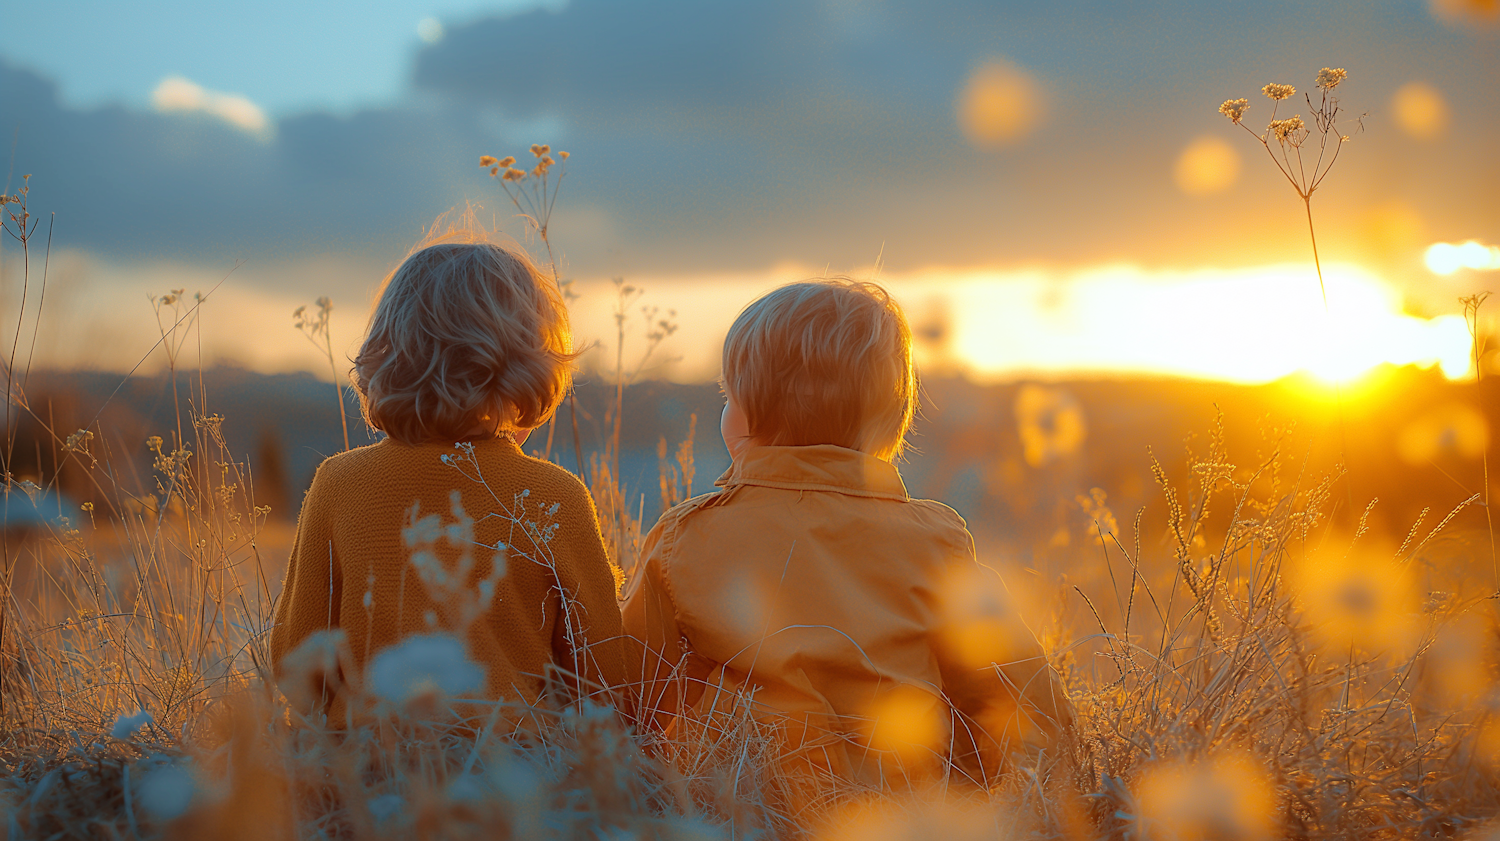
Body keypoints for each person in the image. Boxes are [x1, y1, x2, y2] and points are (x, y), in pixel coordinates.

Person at [622, 278, 1068, 791]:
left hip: (748, 811)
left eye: (727, 395)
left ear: (745, 415)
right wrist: (970, 792)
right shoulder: (936, 540)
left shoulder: (687, 538)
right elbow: (1026, 701)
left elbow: (626, 701)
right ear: (889, 421)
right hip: (903, 810)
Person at [270, 223, 626, 723]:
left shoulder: (339, 482)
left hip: (369, 774)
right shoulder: (556, 497)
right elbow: (608, 681)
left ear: (385, 351)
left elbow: (296, 660)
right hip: (520, 778)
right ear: (531, 365)